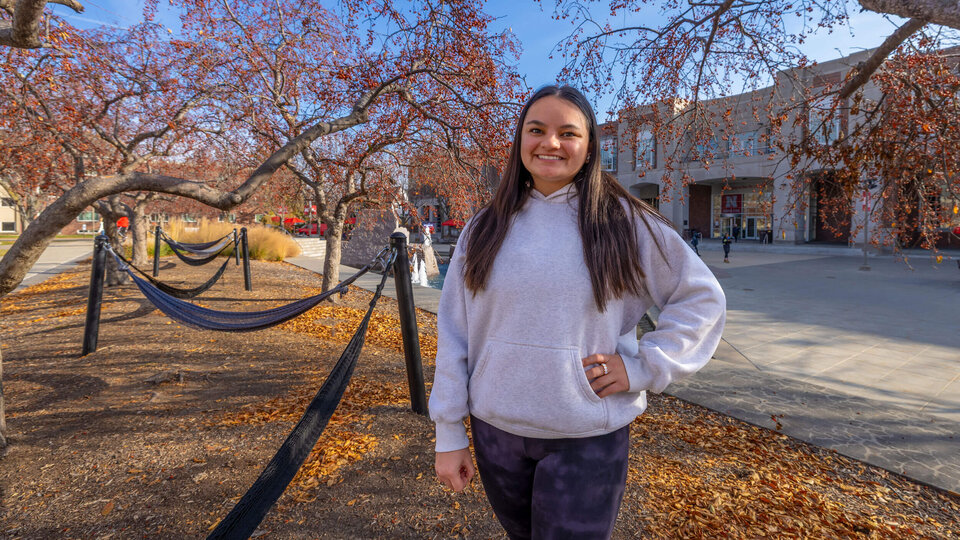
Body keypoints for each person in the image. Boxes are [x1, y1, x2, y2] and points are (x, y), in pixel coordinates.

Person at [430, 85, 726, 539]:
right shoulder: (484, 226)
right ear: (520, 141)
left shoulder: (625, 222)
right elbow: (454, 331)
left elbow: (701, 297)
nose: (550, 143)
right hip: (496, 433)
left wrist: (645, 367)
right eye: (537, 130)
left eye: (568, 133)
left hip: (586, 436)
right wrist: (449, 432)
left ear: (589, 149)